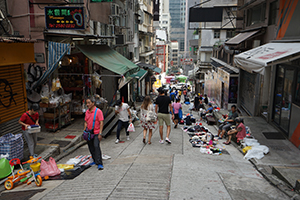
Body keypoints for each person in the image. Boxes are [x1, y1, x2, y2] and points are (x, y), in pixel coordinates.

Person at [84, 97, 104, 170]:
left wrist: (100, 133)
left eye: (89, 103)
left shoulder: (98, 111)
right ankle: (95, 160)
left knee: (96, 146)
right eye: (87, 103)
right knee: (91, 147)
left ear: (93, 103)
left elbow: (101, 122)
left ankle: (99, 163)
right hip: (89, 133)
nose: (87, 104)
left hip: (96, 132)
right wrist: (84, 131)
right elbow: (86, 122)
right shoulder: (87, 112)